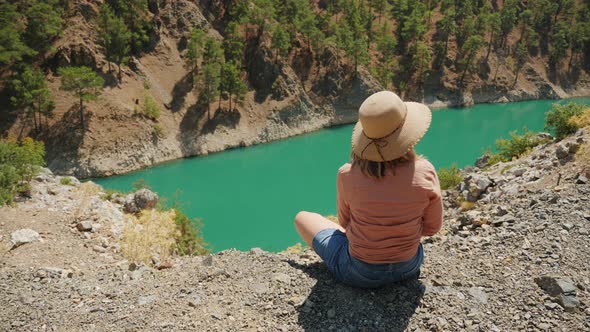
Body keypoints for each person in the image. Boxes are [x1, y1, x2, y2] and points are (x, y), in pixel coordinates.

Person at [294, 91, 443, 288]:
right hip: (409, 266)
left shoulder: (347, 175)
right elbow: (432, 228)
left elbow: (345, 223)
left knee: (302, 217)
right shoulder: (425, 171)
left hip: (359, 273)